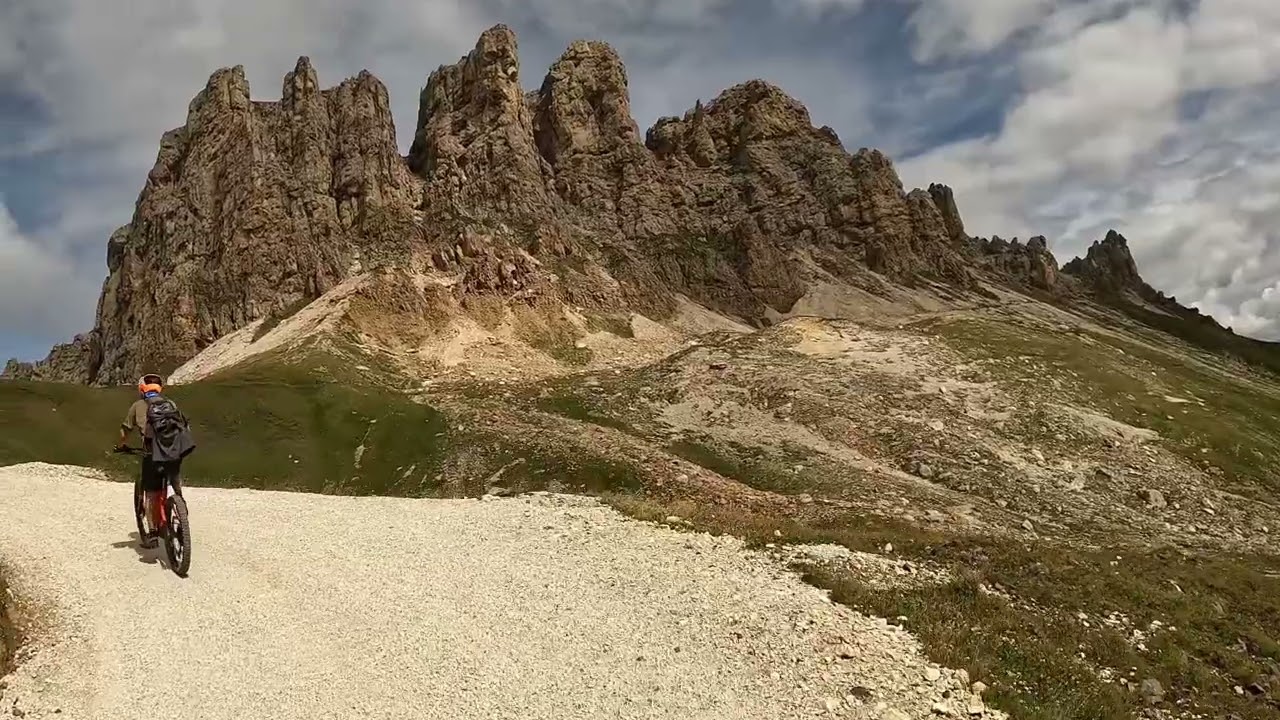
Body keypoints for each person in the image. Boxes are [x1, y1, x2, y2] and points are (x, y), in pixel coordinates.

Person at [117, 373, 194, 548]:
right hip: (174, 453)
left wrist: (121, 445)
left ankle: (152, 534)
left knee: (151, 493)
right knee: (174, 478)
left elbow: (125, 430)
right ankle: (180, 505)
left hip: (152, 455)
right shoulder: (170, 404)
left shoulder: (138, 406)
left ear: (142, 389)